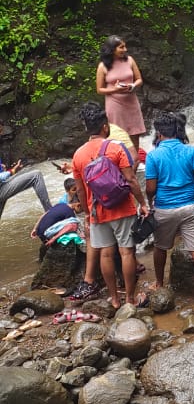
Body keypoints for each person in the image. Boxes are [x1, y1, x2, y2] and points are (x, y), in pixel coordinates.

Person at [72, 104, 148, 307]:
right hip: (123, 208)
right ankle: (130, 298)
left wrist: (87, 214)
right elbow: (131, 179)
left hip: (97, 211)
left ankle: (114, 299)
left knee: (105, 253)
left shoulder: (78, 155)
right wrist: (142, 203)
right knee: (127, 252)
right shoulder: (115, 147)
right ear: (105, 127)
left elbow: (80, 190)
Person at [144, 112, 194, 303]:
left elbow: (150, 188)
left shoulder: (153, 155)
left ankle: (159, 283)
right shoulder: (190, 151)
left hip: (165, 208)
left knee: (160, 247)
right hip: (190, 206)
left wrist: (149, 201)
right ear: (176, 131)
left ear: (159, 133)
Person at [96, 36, 146, 150]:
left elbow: (139, 79)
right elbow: (99, 89)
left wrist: (133, 85)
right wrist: (115, 90)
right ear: (112, 49)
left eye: (125, 46)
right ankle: (120, 158)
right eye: (121, 47)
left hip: (131, 102)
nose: (125, 49)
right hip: (114, 104)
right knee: (117, 135)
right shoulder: (103, 66)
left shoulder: (130, 60)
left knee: (135, 133)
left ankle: (135, 158)